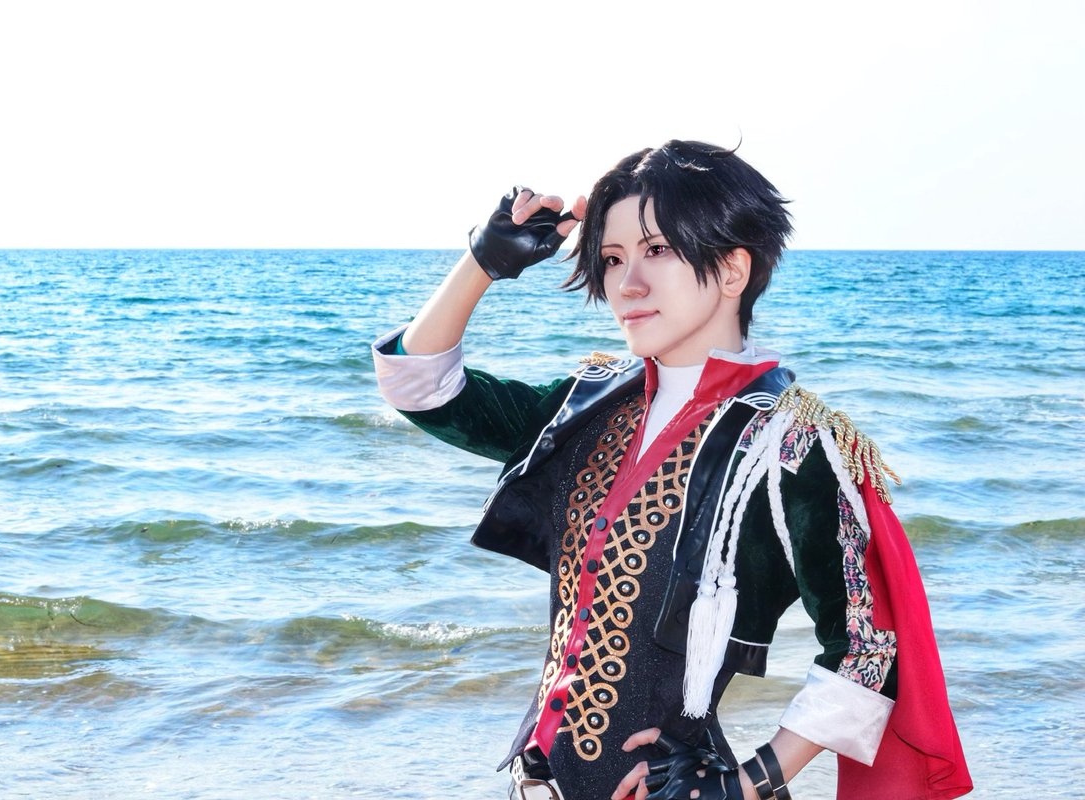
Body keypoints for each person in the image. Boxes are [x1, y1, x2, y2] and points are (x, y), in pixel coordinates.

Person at [371, 141, 972, 800]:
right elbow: (420, 387)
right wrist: (483, 263)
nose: (627, 284)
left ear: (733, 270)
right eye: (612, 258)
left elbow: (867, 648)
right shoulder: (586, 408)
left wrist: (745, 783)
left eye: (657, 250)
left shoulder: (790, 444)